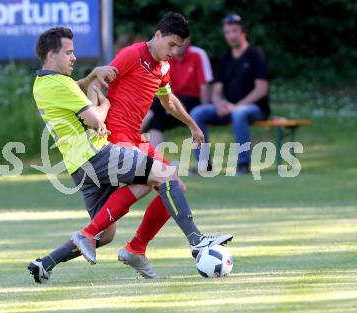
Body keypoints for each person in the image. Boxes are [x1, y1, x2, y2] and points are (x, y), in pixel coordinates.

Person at [28, 26, 232, 283]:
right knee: (164, 176)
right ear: (50, 55)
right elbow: (95, 111)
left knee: (107, 233)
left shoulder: (46, 83)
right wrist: (104, 102)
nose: (74, 57)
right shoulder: (130, 55)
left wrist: (191, 124)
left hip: (81, 163)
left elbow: (81, 88)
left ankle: (46, 263)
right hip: (99, 152)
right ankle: (195, 241)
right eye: (69, 52)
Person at [190, 13, 270, 174]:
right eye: (227, 32)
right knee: (197, 113)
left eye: (234, 31)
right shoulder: (224, 59)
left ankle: (243, 164)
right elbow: (217, 91)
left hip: (254, 108)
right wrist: (219, 103)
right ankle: (204, 165)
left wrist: (237, 106)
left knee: (239, 114)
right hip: (230, 108)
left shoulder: (256, 55)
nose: (231, 35)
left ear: (243, 32)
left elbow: (261, 89)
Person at [144, 36, 213, 148]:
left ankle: (131, 133)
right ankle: (153, 160)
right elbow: (166, 88)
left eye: (182, 39)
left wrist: (204, 110)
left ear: (188, 40)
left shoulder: (198, 54)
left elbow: (204, 86)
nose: (179, 43)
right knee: (157, 119)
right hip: (174, 101)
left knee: (155, 105)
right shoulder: (167, 57)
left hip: (194, 101)